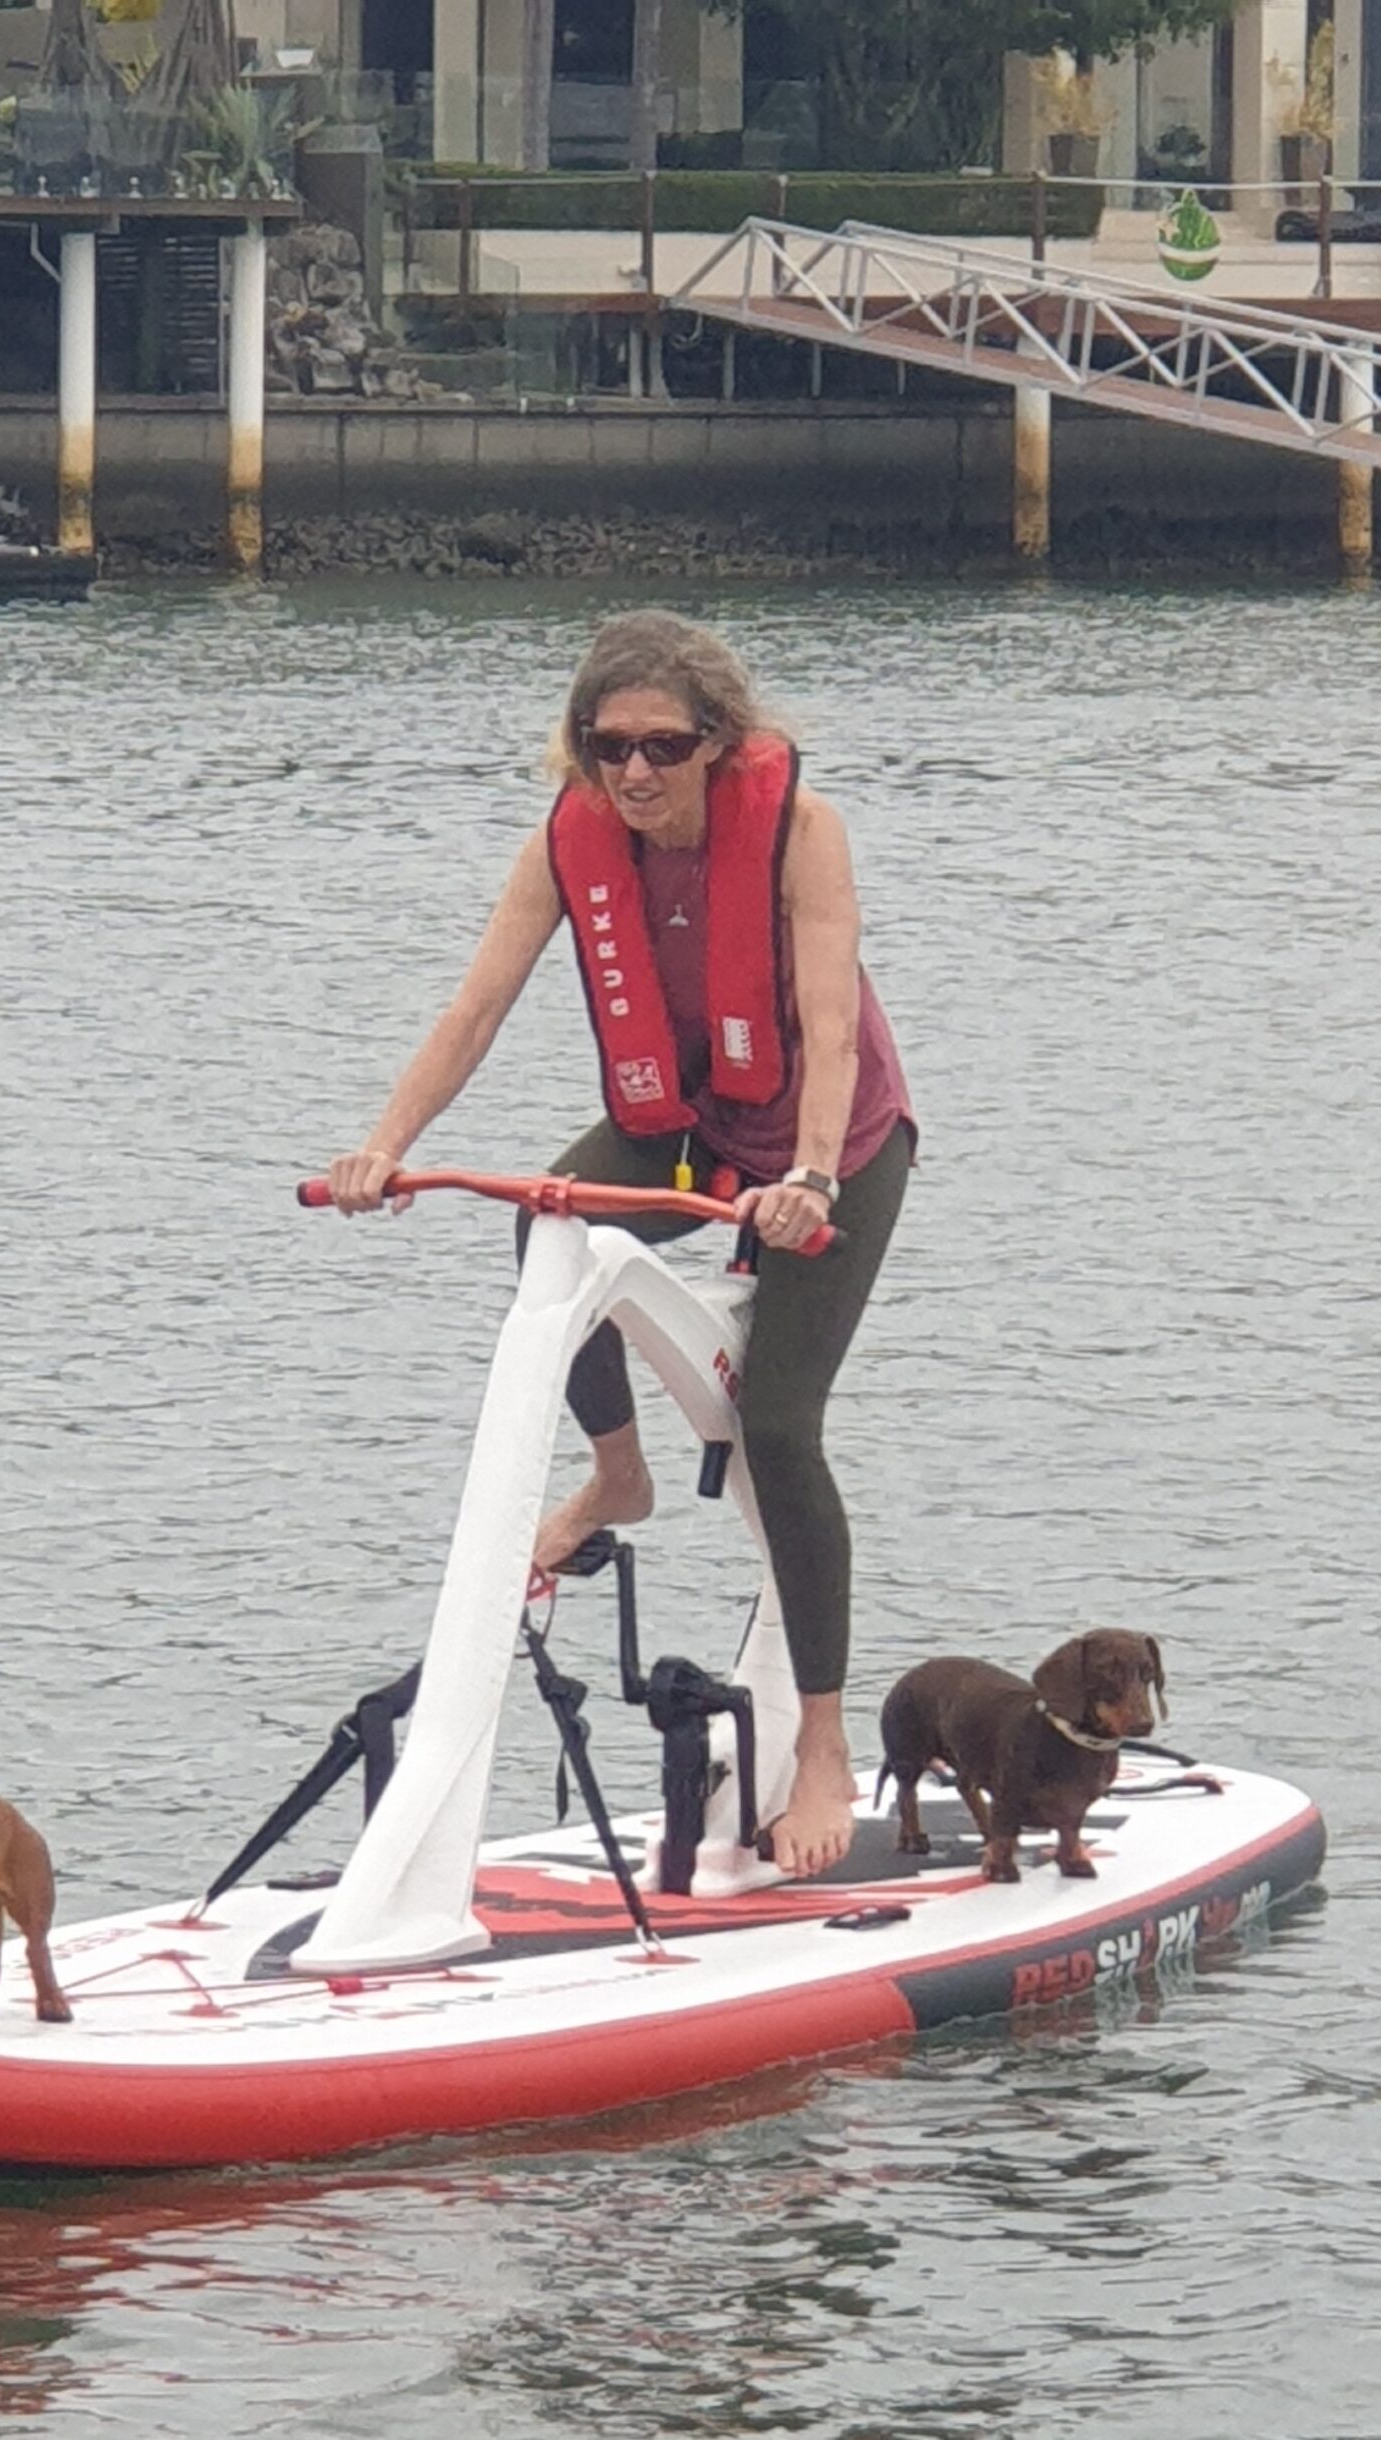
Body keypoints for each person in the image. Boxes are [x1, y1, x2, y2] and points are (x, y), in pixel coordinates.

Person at [326, 611, 914, 1879]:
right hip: (689, 1132)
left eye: (662, 748)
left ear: (719, 744)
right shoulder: (571, 839)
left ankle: (819, 1739)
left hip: (832, 1142)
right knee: (555, 1228)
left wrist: (810, 1173)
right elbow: (477, 1003)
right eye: (607, 751)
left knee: (776, 1428)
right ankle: (620, 1474)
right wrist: (380, 1145)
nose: (635, 776)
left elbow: (826, 1019)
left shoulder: (801, 832)